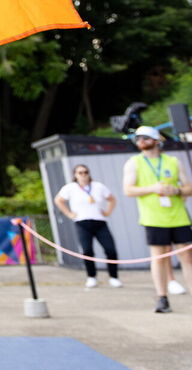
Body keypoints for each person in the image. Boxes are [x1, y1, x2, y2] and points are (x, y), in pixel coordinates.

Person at [122, 125, 192, 313]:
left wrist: (176, 190)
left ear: (156, 140)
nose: (141, 141)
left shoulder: (173, 161)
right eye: (138, 139)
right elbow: (128, 190)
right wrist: (153, 188)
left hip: (178, 215)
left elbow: (188, 187)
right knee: (159, 257)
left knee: (187, 256)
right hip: (153, 217)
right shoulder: (134, 162)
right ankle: (162, 297)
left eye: (145, 137)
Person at [54, 165, 122, 288]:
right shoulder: (70, 188)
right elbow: (58, 200)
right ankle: (91, 276)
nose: (83, 175)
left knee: (110, 249)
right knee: (87, 250)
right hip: (82, 223)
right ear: (75, 174)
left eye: (85, 172)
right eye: (80, 173)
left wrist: (107, 212)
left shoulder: (98, 186)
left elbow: (112, 199)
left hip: (99, 222)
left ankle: (114, 277)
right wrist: (69, 213)